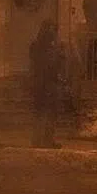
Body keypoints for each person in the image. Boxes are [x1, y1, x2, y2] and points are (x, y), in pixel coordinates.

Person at [29, 19, 65, 148]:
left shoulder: (50, 47)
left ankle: (45, 140)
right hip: (45, 83)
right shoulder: (45, 47)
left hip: (46, 83)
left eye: (54, 29)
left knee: (49, 113)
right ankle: (40, 140)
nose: (53, 32)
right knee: (44, 113)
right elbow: (46, 65)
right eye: (50, 29)